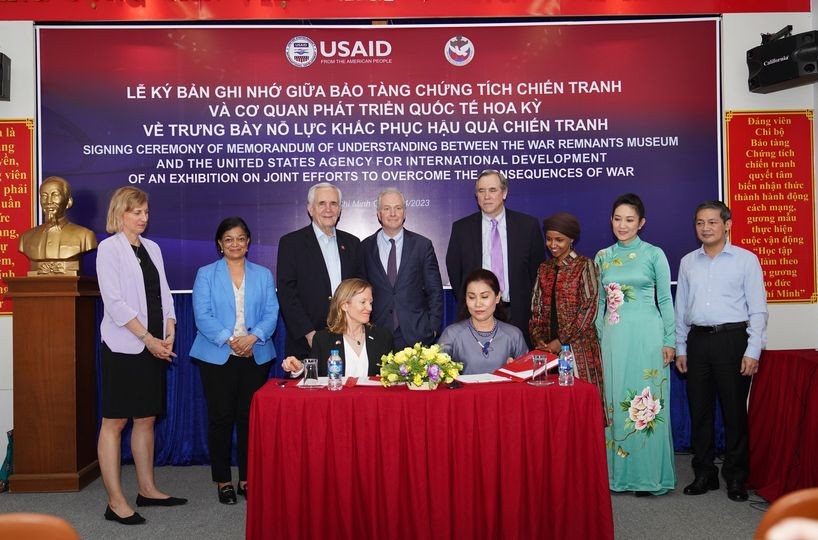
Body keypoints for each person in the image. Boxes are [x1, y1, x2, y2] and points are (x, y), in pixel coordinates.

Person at [96, 187, 186, 525]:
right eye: (137, 212)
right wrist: (147, 338)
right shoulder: (109, 249)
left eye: (146, 212)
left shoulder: (152, 248)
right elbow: (115, 303)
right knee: (115, 421)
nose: (144, 218)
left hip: (153, 344)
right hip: (124, 346)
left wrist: (171, 326)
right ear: (121, 213)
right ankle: (115, 501)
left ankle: (146, 490)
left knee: (146, 417)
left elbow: (163, 292)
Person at [674, 200, 768, 502]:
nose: (706, 228)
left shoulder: (746, 260)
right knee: (699, 411)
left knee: (734, 413)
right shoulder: (688, 262)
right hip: (698, 342)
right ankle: (704, 473)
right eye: (700, 223)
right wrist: (681, 347)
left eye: (712, 222)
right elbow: (681, 309)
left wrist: (753, 350)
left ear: (727, 224)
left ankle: (737, 477)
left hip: (733, 340)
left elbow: (758, 310)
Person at [189, 217, 279, 505]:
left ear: (248, 241)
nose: (235, 244)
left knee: (248, 419)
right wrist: (232, 340)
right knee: (221, 418)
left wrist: (253, 338)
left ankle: (247, 478)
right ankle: (224, 480)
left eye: (241, 238)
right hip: (217, 356)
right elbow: (202, 315)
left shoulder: (264, 274)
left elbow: (271, 313)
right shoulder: (206, 274)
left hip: (256, 354)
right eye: (229, 239)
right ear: (220, 244)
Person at [595, 193, 675, 496]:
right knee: (616, 403)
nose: (623, 225)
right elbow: (600, 305)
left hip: (648, 336)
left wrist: (670, 341)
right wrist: (600, 344)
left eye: (629, 220)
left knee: (648, 405)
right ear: (611, 221)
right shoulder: (602, 256)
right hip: (614, 339)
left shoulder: (655, 254)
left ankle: (649, 477)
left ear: (641, 223)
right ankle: (620, 476)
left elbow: (665, 300)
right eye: (617, 219)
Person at [446, 169, 544, 346]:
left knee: (517, 368)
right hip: (478, 313)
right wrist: (473, 301)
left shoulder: (527, 226)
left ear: (504, 193)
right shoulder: (461, 228)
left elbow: (537, 272)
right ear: (476, 196)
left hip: (518, 312)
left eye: (492, 190)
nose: (487, 196)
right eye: (481, 191)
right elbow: (455, 270)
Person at [529, 212, 605, 417]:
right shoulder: (544, 268)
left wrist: (560, 341)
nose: (553, 244)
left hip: (578, 349)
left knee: (579, 409)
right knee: (551, 410)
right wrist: (540, 340)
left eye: (559, 240)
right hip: (546, 352)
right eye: (549, 239)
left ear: (572, 239)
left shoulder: (584, 265)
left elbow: (588, 310)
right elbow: (536, 306)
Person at [277, 183, 361, 359]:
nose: (328, 209)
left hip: (349, 337)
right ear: (310, 209)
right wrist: (308, 333)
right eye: (322, 203)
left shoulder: (353, 244)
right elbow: (287, 294)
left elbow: (360, 291)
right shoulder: (291, 243)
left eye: (333, 203)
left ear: (340, 209)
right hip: (306, 340)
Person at [360, 187, 443, 350]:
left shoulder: (422, 245)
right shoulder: (364, 248)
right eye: (386, 208)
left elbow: (435, 290)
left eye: (398, 208)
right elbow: (360, 291)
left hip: (417, 335)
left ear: (404, 213)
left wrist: (433, 328)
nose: (392, 213)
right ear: (378, 214)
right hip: (376, 334)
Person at [282, 278, 393, 377]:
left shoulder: (383, 337)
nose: (369, 308)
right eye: (363, 302)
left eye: (371, 302)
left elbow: (393, 377)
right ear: (344, 305)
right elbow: (314, 376)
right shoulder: (322, 340)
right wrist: (299, 368)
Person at [438, 269, 528, 374]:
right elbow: (435, 375)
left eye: (484, 297)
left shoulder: (513, 335)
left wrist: (516, 371)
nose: (478, 304)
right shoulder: (452, 334)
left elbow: (527, 380)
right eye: (471, 297)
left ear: (497, 297)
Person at [18, 175, 97, 275]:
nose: (48, 201)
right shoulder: (26, 238)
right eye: (44, 196)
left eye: (55, 195)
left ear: (68, 202)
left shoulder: (85, 236)